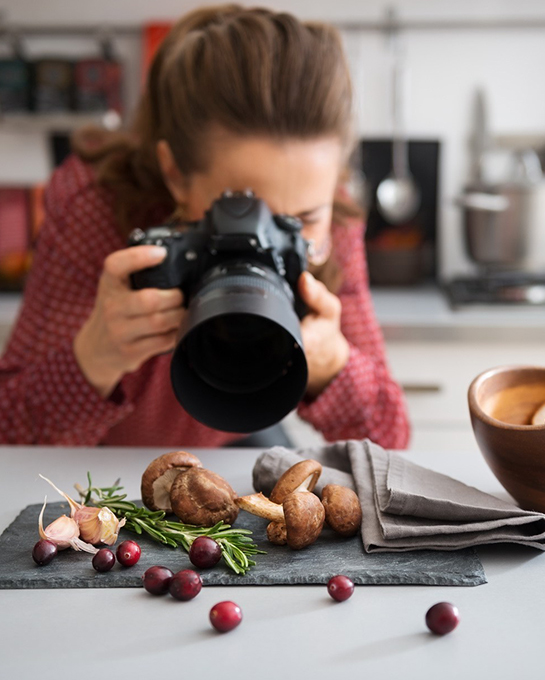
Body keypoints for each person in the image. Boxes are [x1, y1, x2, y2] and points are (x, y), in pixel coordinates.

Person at [0, 4, 410, 448]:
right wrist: (93, 358)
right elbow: (9, 433)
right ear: (174, 173)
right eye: (241, 210)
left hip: (236, 431)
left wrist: (334, 366)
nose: (265, 238)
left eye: (302, 219)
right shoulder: (96, 206)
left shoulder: (332, 214)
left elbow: (389, 441)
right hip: (100, 455)